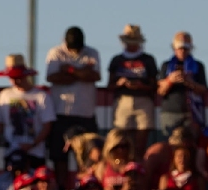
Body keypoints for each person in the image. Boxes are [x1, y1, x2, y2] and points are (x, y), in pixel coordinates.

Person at [45, 27, 100, 181]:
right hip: (61, 113)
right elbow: (53, 77)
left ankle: (85, 186)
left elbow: (95, 75)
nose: (75, 51)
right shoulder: (55, 53)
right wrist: (82, 73)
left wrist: (69, 70)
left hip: (86, 114)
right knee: (59, 157)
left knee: (87, 157)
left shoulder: (92, 53)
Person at [108, 25, 157, 162]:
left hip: (143, 101)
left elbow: (154, 85)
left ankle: (138, 168)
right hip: (123, 101)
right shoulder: (117, 60)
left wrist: (142, 86)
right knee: (122, 140)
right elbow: (109, 85)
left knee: (141, 143)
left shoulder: (148, 60)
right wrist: (120, 83)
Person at [157, 32, 207, 138]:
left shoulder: (198, 66)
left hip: (192, 112)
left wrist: (189, 82)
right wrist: (170, 80)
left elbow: (203, 89)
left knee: (191, 142)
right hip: (171, 111)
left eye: (186, 48)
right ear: (174, 48)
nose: (183, 51)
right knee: (171, 142)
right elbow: (160, 90)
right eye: (180, 48)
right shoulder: (166, 66)